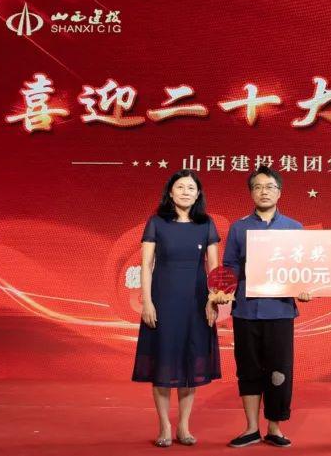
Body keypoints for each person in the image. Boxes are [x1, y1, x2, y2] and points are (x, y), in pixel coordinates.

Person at [132, 169, 222, 447]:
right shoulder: (157, 222)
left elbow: (214, 268)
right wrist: (147, 302)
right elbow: (146, 265)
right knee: (163, 361)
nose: (186, 192)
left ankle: (184, 426)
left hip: (196, 303)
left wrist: (213, 300)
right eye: (180, 187)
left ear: (198, 194)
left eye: (191, 188)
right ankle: (164, 426)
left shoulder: (206, 224)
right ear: (170, 192)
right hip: (163, 301)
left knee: (190, 362)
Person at [223, 166, 311, 448]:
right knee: (248, 368)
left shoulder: (294, 228)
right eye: (258, 187)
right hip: (246, 309)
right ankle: (251, 428)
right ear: (251, 193)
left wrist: (305, 288)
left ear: (279, 192)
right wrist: (223, 291)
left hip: (280, 310)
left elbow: (303, 268)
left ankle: (275, 427)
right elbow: (230, 266)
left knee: (279, 368)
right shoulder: (239, 228)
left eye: (270, 187)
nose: (264, 191)